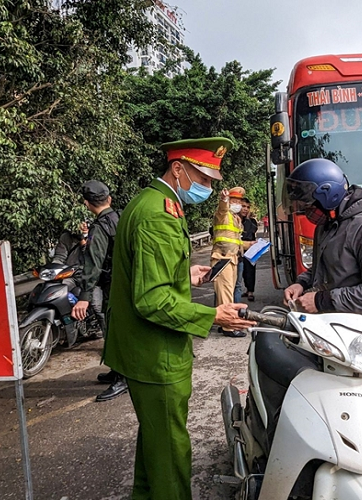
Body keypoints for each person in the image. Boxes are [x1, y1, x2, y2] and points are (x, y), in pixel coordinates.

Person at [102, 137, 256, 500]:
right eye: (202, 180)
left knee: (155, 446)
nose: (207, 188)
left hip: (144, 350)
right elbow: (152, 298)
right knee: (171, 453)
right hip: (156, 354)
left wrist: (183, 275)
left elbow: (146, 273)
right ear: (178, 168)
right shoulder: (159, 214)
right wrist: (213, 314)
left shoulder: (151, 202)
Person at [282, 158, 362, 331]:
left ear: (327, 195)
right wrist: (301, 284)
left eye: (306, 204)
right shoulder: (327, 224)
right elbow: (323, 268)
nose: (305, 211)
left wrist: (320, 301)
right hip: (334, 326)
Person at [69, 180, 124, 402]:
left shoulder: (100, 227)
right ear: (109, 199)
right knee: (114, 328)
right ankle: (117, 371)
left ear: (87, 204)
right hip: (124, 282)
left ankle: (123, 378)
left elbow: (93, 262)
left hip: (113, 285)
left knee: (115, 330)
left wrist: (84, 296)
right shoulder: (120, 218)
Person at [210, 186, 252, 337]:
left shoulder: (235, 219)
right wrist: (224, 200)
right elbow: (222, 209)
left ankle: (222, 323)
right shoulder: (223, 214)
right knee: (226, 294)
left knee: (225, 293)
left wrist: (250, 245)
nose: (238, 204)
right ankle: (229, 327)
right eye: (234, 201)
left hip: (232, 259)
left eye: (239, 202)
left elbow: (234, 241)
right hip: (222, 258)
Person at [238, 198, 258, 302]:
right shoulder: (232, 219)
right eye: (243, 206)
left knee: (250, 270)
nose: (245, 209)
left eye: (247, 207)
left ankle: (250, 291)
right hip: (236, 249)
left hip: (250, 250)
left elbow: (251, 232)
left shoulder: (251, 221)